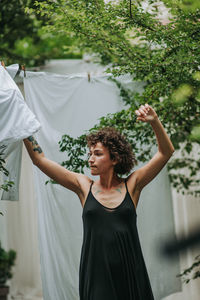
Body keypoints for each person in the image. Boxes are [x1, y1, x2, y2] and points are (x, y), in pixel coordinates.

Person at [23, 103, 174, 300]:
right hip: (96, 275)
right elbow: (40, 160)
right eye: (90, 154)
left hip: (130, 272)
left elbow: (165, 153)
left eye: (98, 154)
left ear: (115, 158)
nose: (90, 159)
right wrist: (23, 127)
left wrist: (154, 122)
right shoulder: (84, 186)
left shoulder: (133, 185)